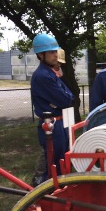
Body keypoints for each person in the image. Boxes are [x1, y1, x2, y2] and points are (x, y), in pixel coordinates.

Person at [31, 33, 74, 182]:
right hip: (51, 126)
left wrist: (65, 96)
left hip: (58, 123)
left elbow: (68, 96)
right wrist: (65, 96)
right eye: (51, 52)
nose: (55, 55)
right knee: (53, 165)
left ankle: (59, 193)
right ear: (41, 55)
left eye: (55, 51)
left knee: (61, 161)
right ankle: (47, 195)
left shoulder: (50, 73)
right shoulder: (43, 76)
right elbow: (66, 99)